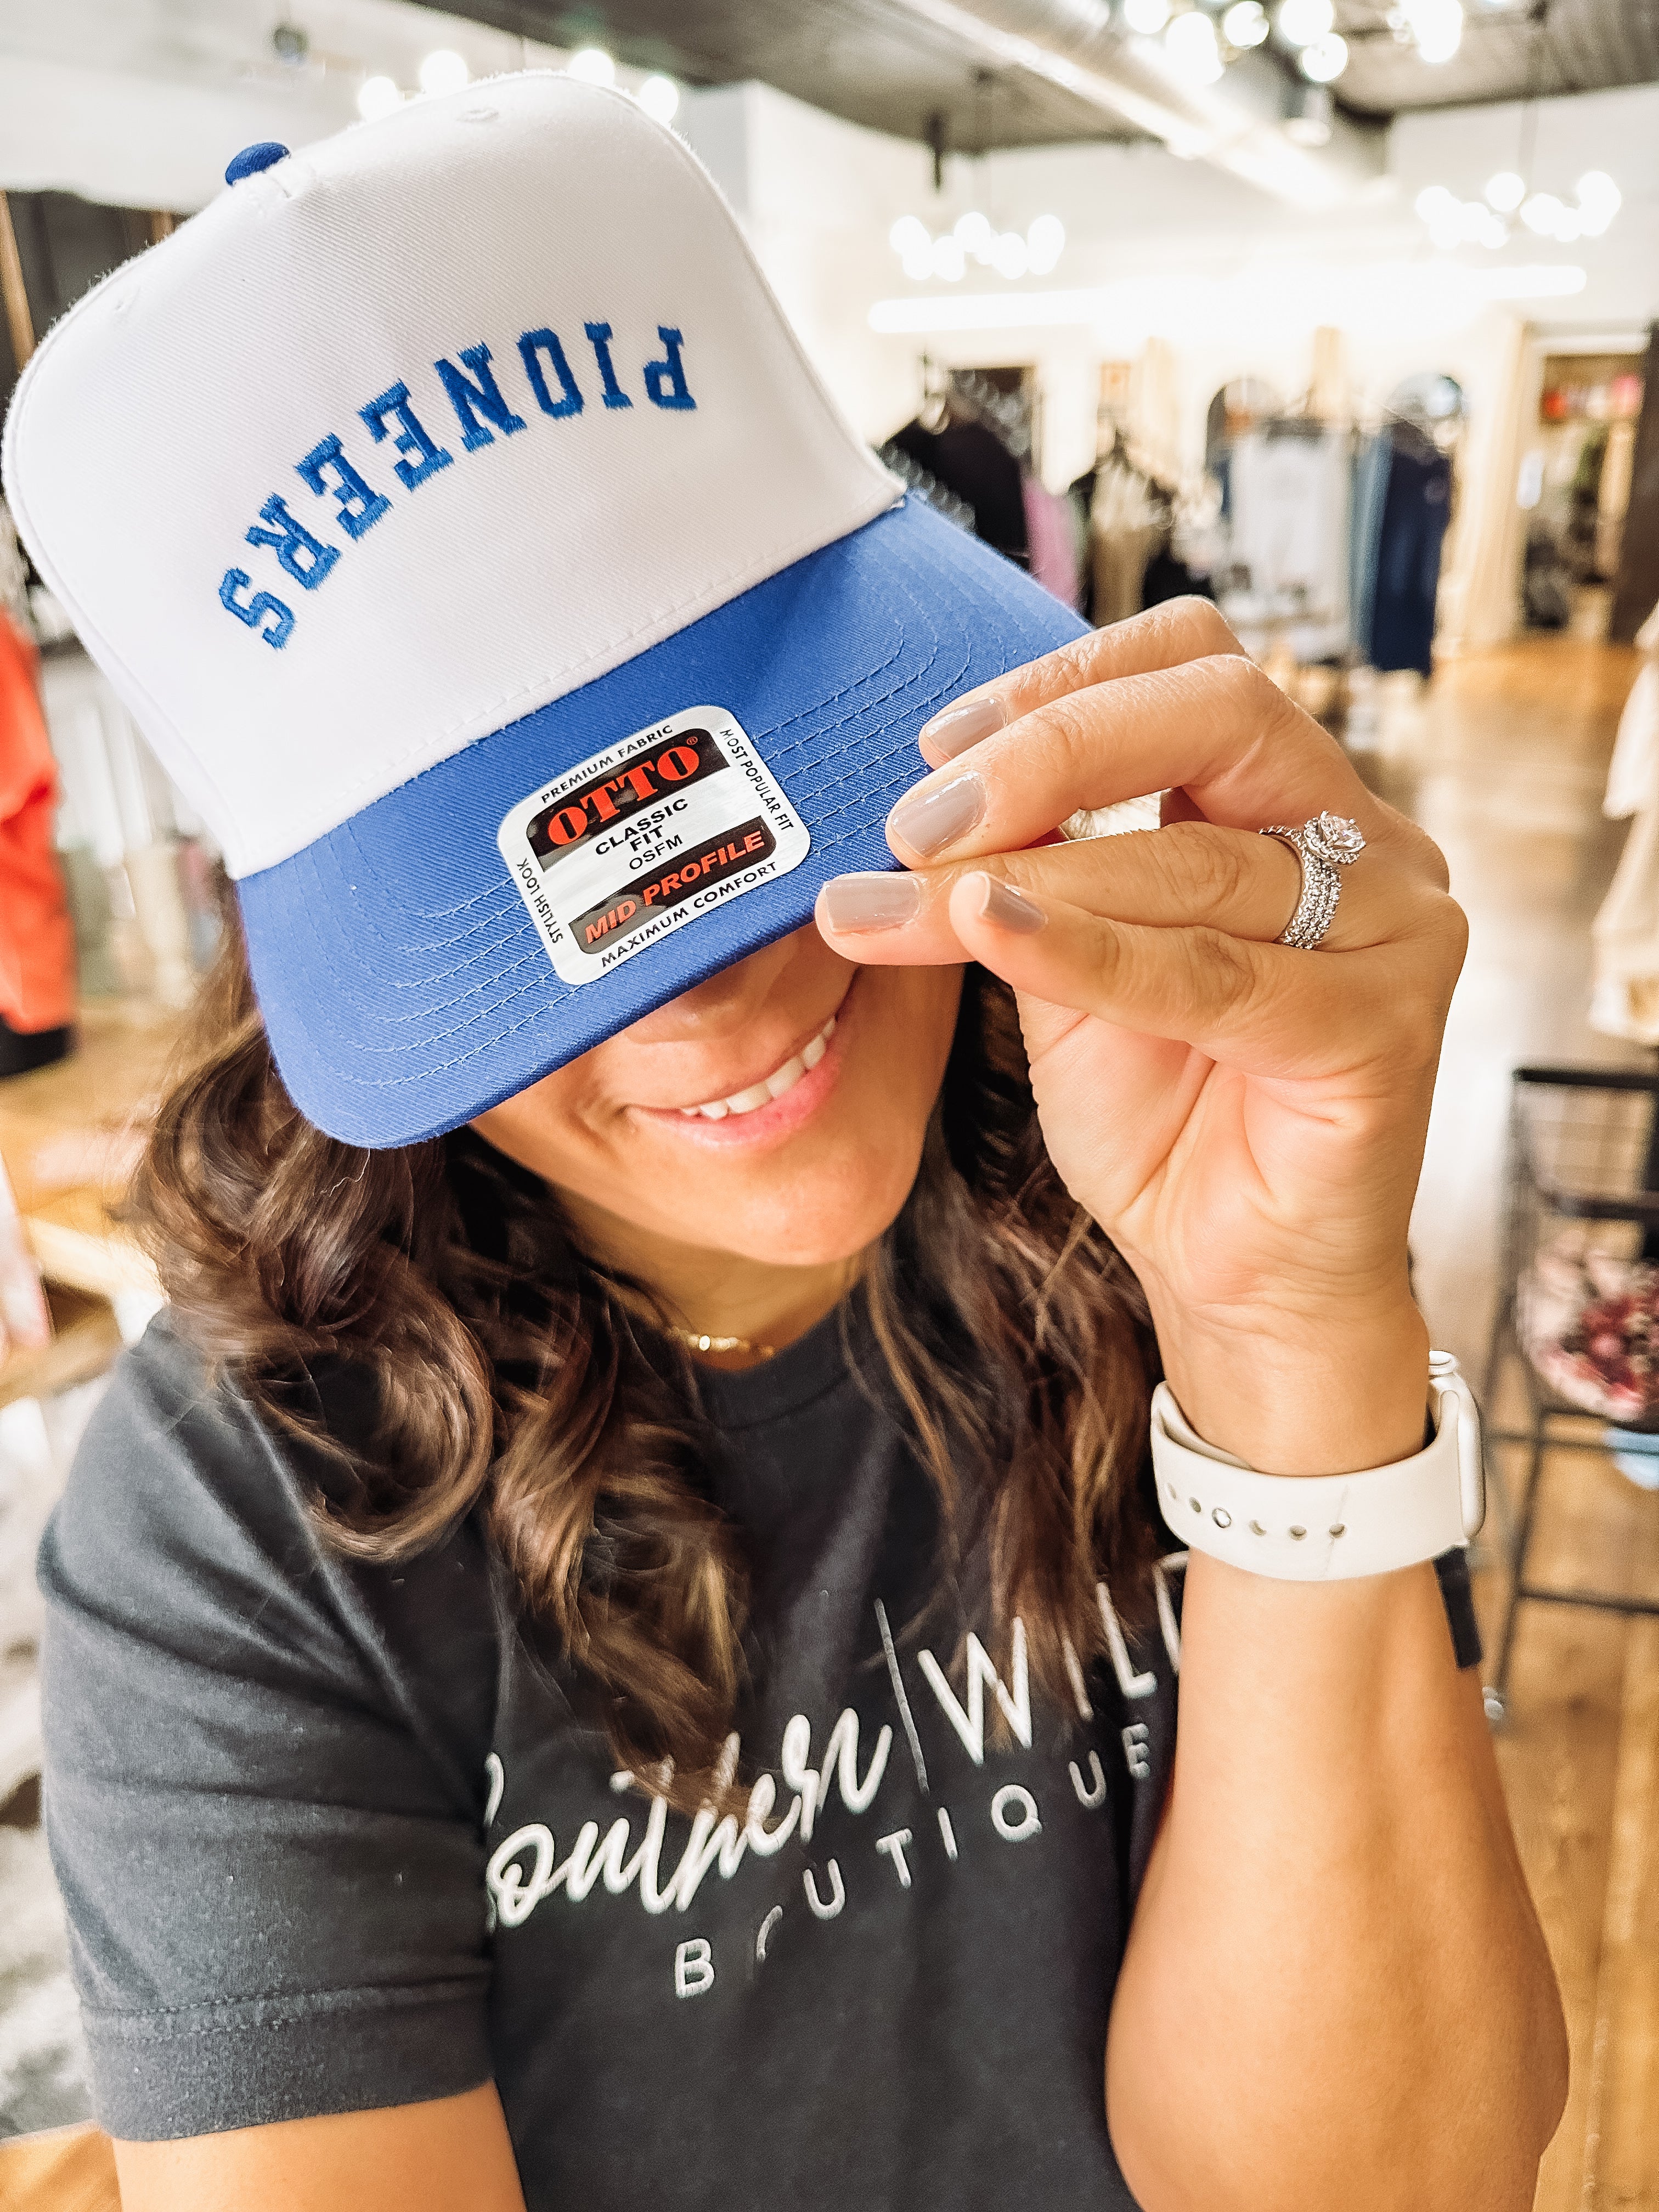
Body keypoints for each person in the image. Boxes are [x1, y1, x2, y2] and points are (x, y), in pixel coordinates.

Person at [4, 73, 1564, 2212]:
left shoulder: (1159, 1144)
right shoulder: (246, 1518)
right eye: (526, 936)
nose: (715, 992)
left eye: (793, 788)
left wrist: (1292, 1336)